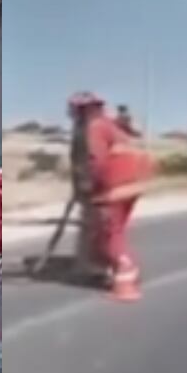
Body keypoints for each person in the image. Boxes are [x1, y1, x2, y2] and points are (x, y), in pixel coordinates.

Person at [67, 91, 145, 301]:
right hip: (132, 186)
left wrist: (89, 184)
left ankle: (125, 276)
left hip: (113, 189)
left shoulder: (95, 127)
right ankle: (111, 270)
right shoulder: (113, 127)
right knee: (114, 231)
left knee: (108, 237)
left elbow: (97, 159)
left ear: (83, 110)